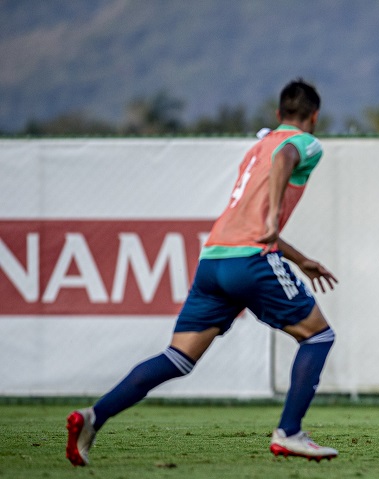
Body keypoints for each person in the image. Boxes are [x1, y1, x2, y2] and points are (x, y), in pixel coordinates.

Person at [66, 79, 339, 465]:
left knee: (179, 357)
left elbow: (253, 219)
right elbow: (285, 159)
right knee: (318, 336)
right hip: (252, 260)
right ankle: (289, 432)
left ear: (278, 114)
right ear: (313, 117)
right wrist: (276, 220)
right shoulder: (303, 142)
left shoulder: (255, 149)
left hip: (214, 259)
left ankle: (94, 417)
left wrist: (299, 258)